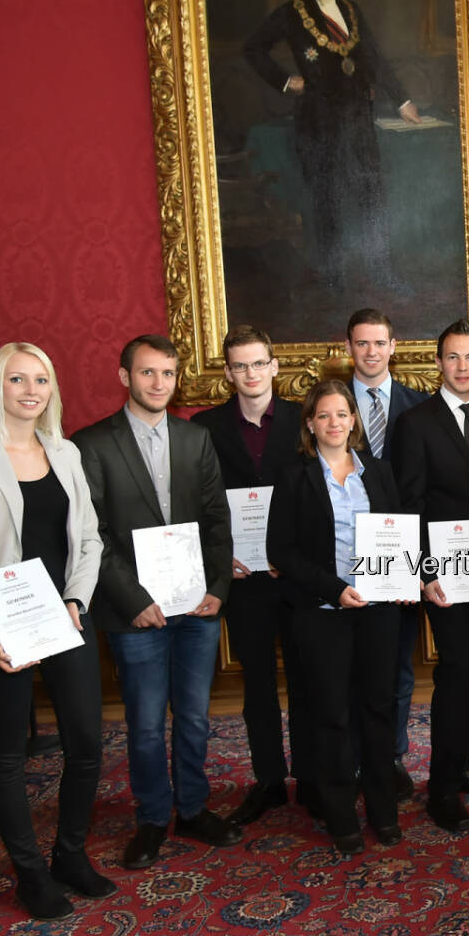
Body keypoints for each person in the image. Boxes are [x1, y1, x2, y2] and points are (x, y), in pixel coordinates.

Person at [0, 343, 113, 920]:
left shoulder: (65, 452)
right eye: (17, 379)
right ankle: (31, 876)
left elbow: (88, 539)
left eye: (40, 379)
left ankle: (69, 856)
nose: (31, 390)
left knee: (86, 744)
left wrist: (74, 600)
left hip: (63, 620)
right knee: (9, 754)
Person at [73, 334, 241, 870]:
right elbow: (92, 534)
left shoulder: (196, 440)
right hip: (135, 614)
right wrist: (132, 600)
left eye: (167, 374)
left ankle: (192, 808)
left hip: (197, 608)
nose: (158, 384)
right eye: (147, 373)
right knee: (146, 723)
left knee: (193, 716)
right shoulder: (93, 444)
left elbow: (217, 519)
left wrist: (218, 587)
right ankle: (151, 818)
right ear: (125, 377)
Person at [266, 379, 411, 854]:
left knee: (378, 708)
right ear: (310, 423)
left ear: (355, 421)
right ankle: (341, 814)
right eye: (324, 416)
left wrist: (406, 580)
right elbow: (281, 550)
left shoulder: (381, 473)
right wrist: (334, 588)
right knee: (331, 715)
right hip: (322, 613)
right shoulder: (295, 477)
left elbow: (399, 535)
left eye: (342, 414)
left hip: (378, 613)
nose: (334, 423)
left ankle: (384, 811)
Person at [392, 320, 469, 833]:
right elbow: (408, 504)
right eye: (453, 357)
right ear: (438, 363)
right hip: (444, 573)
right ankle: (441, 791)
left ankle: (460, 767)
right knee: (455, 674)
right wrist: (423, 570)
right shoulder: (416, 424)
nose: (462, 366)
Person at [191, 326, 310, 826]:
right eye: (240, 366)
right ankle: (267, 780)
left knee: (308, 679)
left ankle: (310, 776)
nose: (251, 374)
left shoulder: (304, 419)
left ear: (274, 366)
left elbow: (318, 491)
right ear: (227, 373)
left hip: (298, 574)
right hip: (242, 578)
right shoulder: (205, 428)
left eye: (259, 363)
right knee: (257, 684)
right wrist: (216, 558)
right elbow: (196, 502)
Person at [244, 0, 422, 288]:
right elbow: (253, 49)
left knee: (371, 192)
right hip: (318, 121)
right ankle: (333, 276)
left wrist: (402, 100)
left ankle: (381, 269)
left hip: (358, 119)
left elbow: (373, 56)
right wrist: (286, 82)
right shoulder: (292, 12)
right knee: (327, 199)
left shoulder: (351, 10)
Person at [344, 307, 430, 802]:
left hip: (401, 555)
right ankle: (352, 757)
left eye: (379, 343)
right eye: (362, 343)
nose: (371, 352)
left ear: (393, 347)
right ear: (349, 348)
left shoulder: (419, 407)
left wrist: (419, 562)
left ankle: (391, 756)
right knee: (347, 665)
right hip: (342, 554)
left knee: (397, 663)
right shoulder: (332, 406)